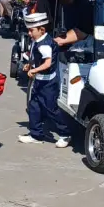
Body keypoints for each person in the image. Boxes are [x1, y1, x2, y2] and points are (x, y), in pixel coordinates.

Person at [18, 12, 70, 147]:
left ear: (41, 30)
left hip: (48, 83)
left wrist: (34, 70)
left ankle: (65, 134)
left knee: (51, 109)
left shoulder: (45, 44)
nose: (29, 33)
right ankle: (36, 134)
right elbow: (37, 57)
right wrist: (30, 65)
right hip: (40, 81)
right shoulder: (38, 41)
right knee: (34, 106)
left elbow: (47, 63)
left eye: (31, 30)